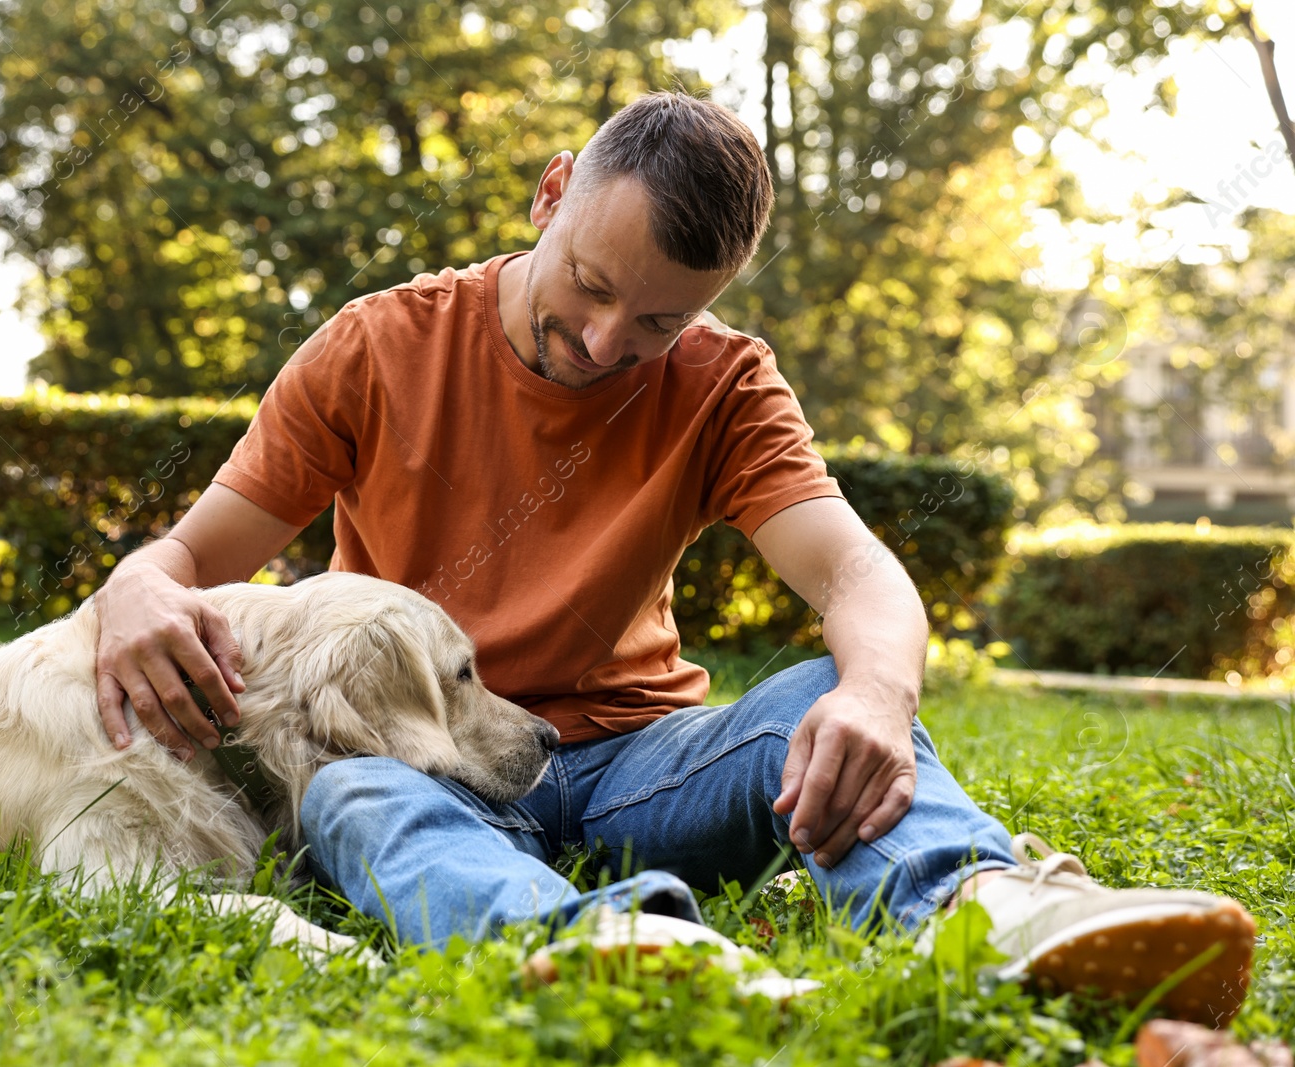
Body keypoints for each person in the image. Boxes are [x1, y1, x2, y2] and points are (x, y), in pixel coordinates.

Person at [90, 91, 1256, 1025]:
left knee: (817, 700)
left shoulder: (726, 381)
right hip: (434, 754)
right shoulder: (379, 345)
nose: (605, 343)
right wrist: (138, 583)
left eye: (656, 323)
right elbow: (195, 554)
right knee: (347, 789)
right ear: (552, 194)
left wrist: (878, 695)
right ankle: (619, 951)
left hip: (640, 766)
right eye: (590, 288)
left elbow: (856, 575)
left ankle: (985, 906)